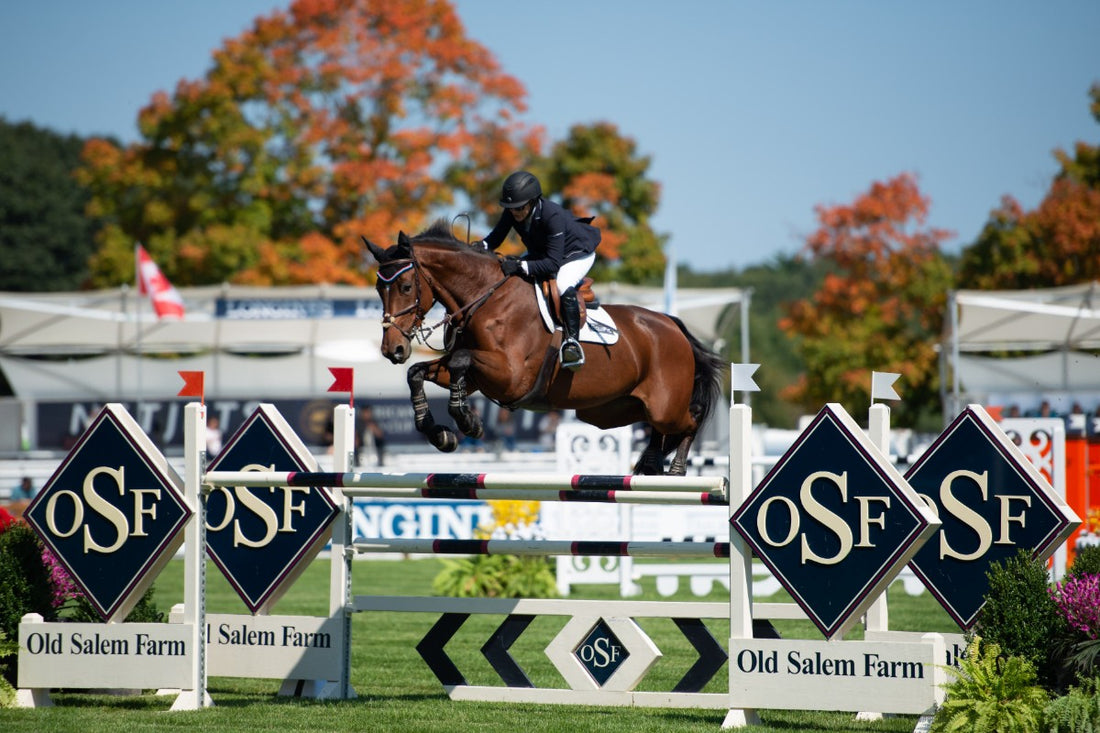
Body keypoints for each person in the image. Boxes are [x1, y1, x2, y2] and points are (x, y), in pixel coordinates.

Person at [477, 171, 601, 370]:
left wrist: (521, 265)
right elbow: (495, 238)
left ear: (533, 202)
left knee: (561, 285)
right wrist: (479, 247)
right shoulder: (513, 211)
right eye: (511, 208)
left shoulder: (552, 215)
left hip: (576, 253)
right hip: (545, 252)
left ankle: (571, 344)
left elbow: (552, 264)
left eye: (519, 208)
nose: (514, 212)